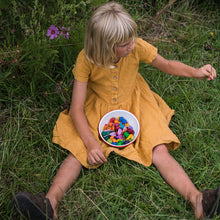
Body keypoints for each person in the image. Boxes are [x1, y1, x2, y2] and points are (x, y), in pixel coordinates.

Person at [12, 2, 219, 220]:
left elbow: (166, 65)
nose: (131, 45)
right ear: (105, 46)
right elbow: (76, 109)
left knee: (158, 149)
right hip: (98, 108)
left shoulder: (136, 46)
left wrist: (195, 72)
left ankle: (198, 200)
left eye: (131, 39)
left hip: (137, 103)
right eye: (124, 44)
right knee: (77, 152)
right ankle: (49, 204)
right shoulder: (86, 59)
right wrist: (91, 144)